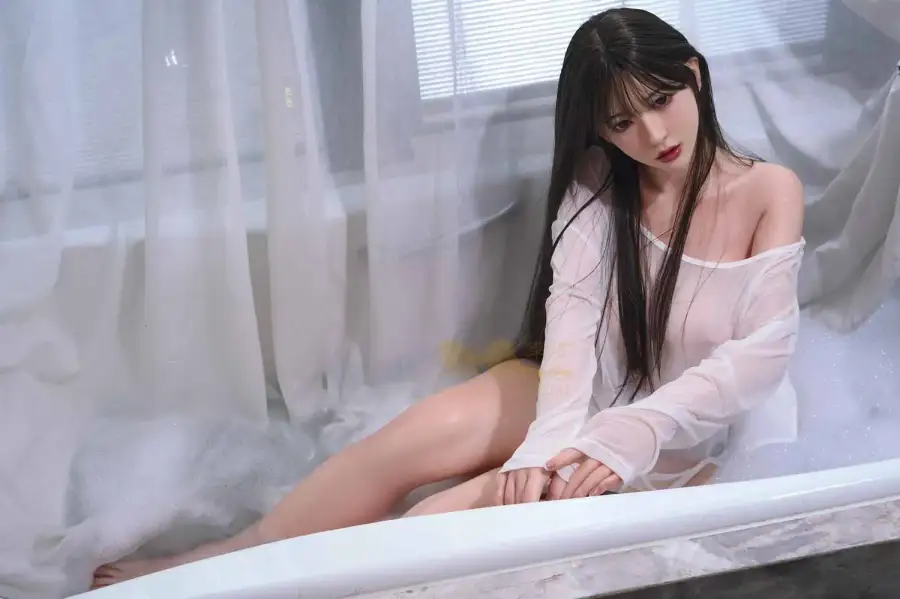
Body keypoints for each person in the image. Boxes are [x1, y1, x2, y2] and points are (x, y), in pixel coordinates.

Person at [92, 7, 804, 588]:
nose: (652, 134)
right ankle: (225, 560)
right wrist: (546, 444)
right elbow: (573, 320)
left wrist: (626, 437)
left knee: (432, 535)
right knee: (394, 455)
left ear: (693, 75)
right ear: (598, 130)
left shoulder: (769, 191)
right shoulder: (597, 181)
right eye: (621, 122)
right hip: (584, 388)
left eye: (660, 100)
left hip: (682, 430)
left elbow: (761, 356)